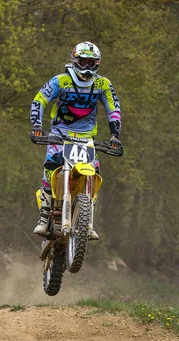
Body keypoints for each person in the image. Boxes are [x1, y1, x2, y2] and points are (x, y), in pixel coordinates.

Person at [30, 41, 122, 239]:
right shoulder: (60, 81)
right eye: (83, 62)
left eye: (91, 62)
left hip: (86, 138)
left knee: (94, 170)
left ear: (97, 63)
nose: (87, 67)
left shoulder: (102, 84)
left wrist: (115, 135)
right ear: (75, 60)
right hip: (60, 133)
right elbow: (40, 100)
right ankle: (44, 215)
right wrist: (37, 126)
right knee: (51, 164)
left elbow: (113, 109)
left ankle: (87, 220)